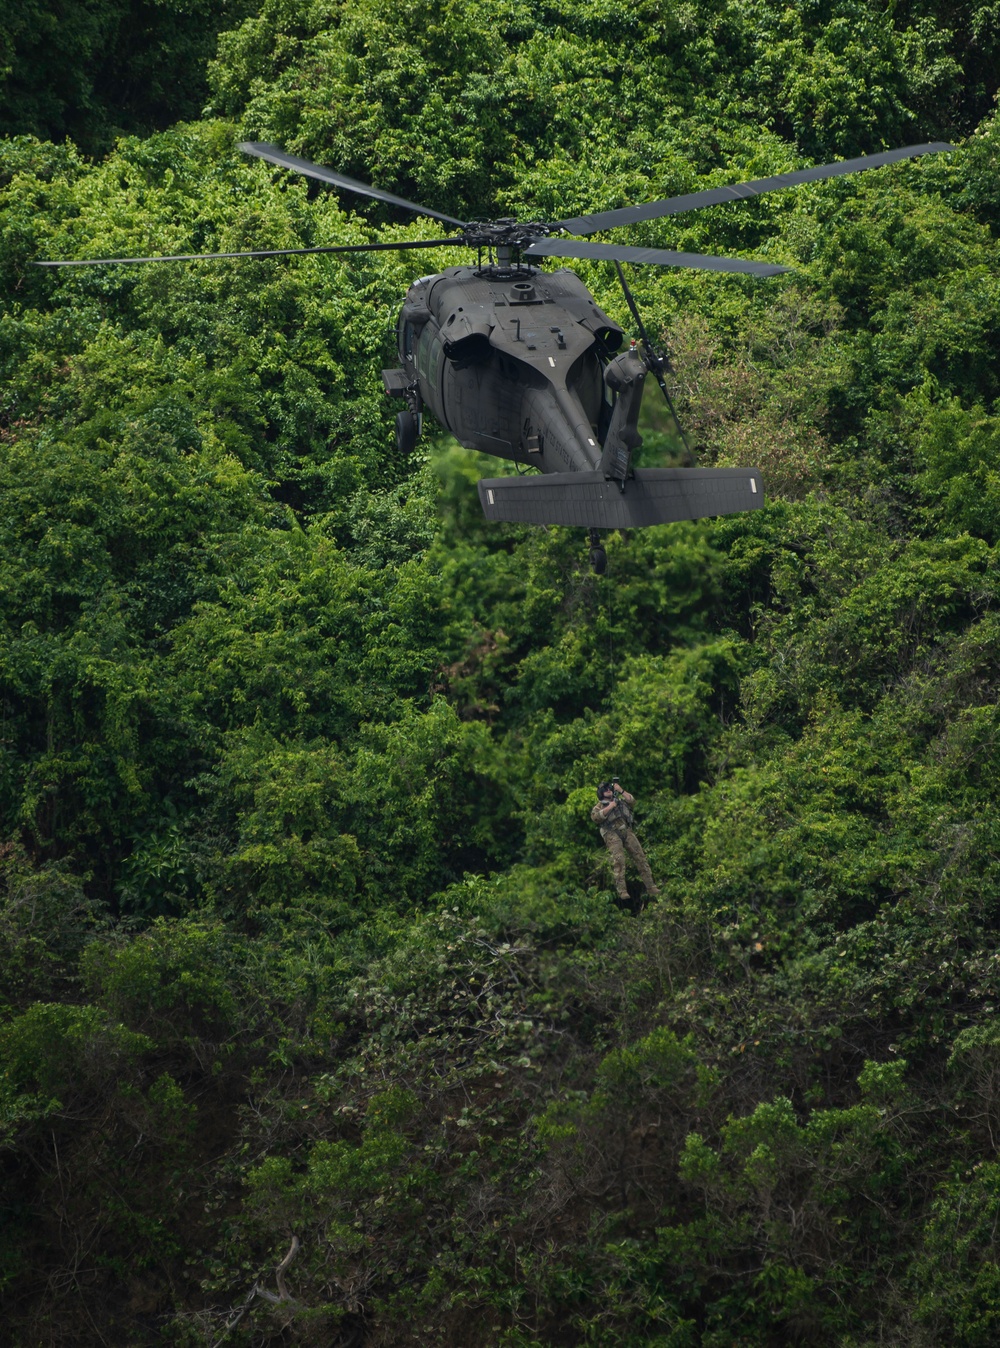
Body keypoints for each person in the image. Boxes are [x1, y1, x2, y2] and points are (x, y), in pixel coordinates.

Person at [591, 778, 659, 901]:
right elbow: (596, 817)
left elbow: (632, 801)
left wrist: (621, 790)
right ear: (601, 793)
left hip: (626, 830)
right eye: (605, 790)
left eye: (609, 789)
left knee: (640, 857)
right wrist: (610, 806)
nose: (608, 791)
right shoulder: (599, 806)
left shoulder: (619, 800)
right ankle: (622, 890)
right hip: (611, 833)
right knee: (619, 860)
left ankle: (651, 886)